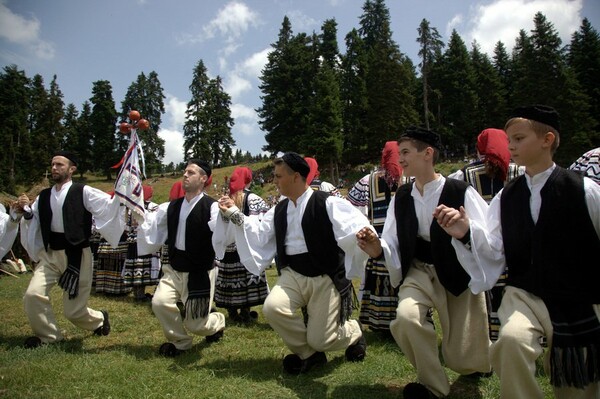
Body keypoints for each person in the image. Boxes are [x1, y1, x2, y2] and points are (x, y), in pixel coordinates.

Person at [433, 105, 600, 399]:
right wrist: (465, 231)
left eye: (519, 138)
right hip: (524, 294)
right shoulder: (506, 196)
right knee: (510, 342)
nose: (510, 146)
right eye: (509, 139)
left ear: (547, 140)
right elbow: (494, 248)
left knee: (580, 379)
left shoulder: (584, 190)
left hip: (579, 296)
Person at [357, 127, 492, 399]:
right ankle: (433, 386)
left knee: (462, 355)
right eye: (399, 153)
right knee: (406, 318)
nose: (401, 159)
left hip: (456, 269)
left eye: (405, 152)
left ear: (427, 153)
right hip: (418, 270)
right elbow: (392, 240)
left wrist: (465, 229)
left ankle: (478, 364)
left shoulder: (460, 191)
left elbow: (487, 235)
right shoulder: (402, 196)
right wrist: (376, 248)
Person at [215, 152, 372, 375]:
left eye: (279, 176)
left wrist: (367, 237)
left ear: (296, 177)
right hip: (293, 274)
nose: (274, 181)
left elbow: (355, 225)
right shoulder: (279, 209)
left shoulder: (327, 202)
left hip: (324, 276)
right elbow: (258, 231)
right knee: (272, 307)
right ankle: (310, 354)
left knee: (322, 339)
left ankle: (352, 331)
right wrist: (232, 212)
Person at [17, 151, 125, 348]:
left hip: (78, 255)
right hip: (51, 255)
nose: (54, 168)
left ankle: (100, 319)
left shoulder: (83, 191)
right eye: (52, 164)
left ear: (72, 169)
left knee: (73, 312)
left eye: (59, 164)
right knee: (33, 295)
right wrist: (26, 211)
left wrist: (124, 193)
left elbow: (109, 208)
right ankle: (49, 337)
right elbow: (35, 220)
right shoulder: (44, 196)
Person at [137, 159, 225, 357]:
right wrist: (137, 210)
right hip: (174, 268)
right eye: (185, 171)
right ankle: (180, 342)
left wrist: (225, 214)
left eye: (191, 172)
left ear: (203, 179)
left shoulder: (211, 207)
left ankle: (217, 322)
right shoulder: (171, 207)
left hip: (200, 271)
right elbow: (150, 223)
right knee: (159, 303)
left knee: (197, 325)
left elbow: (220, 230)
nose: (185, 175)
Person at [448, 127, 523, 342]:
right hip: (516, 242)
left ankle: (487, 335)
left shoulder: (462, 175)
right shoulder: (521, 171)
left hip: (480, 243)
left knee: (487, 285)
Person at [347, 141, 404, 334]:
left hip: (377, 244)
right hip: (403, 243)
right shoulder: (411, 178)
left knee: (381, 279)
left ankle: (381, 323)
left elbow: (353, 211)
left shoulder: (367, 181)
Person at [214, 167, 270, 324]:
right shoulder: (254, 199)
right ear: (249, 180)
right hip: (245, 247)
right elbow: (259, 223)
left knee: (231, 280)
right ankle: (245, 312)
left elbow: (220, 224)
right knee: (246, 278)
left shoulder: (225, 199)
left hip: (229, 248)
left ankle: (232, 313)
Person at [122, 185, 161, 302]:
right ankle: (141, 294)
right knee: (145, 266)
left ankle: (137, 293)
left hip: (133, 241)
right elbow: (157, 223)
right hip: (146, 240)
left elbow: (126, 226)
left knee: (136, 266)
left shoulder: (131, 207)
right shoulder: (153, 206)